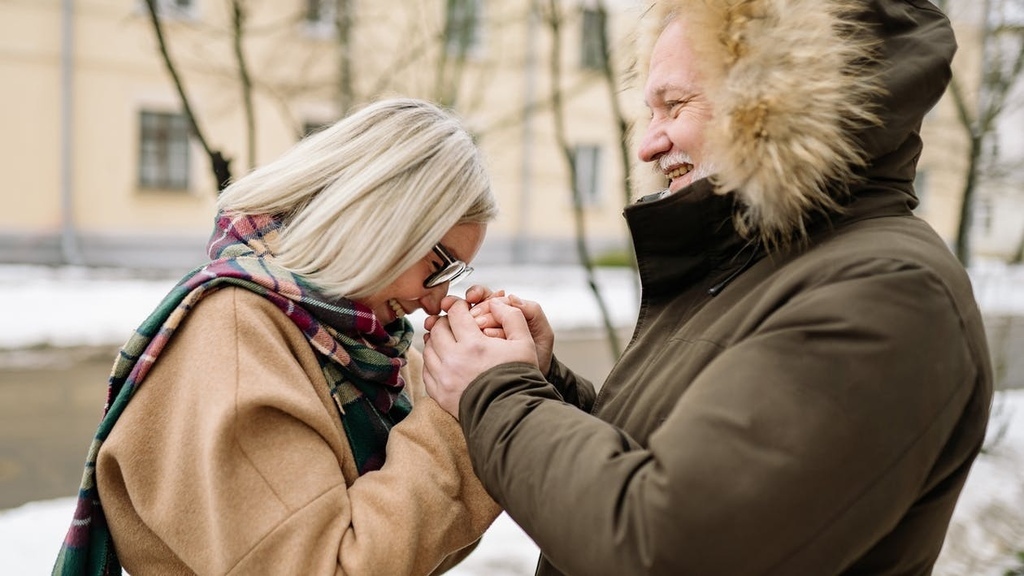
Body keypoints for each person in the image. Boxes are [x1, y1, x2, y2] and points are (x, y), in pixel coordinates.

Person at [421, 1, 994, 574]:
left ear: (779, 100)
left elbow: (669, 544)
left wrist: (494, 392)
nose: (647, 145)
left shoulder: (888, 291)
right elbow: (661, 458)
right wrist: (542, 382)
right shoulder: (758, 264)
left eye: (674, 106)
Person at [53, 97, 501, 575]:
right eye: (438, 266)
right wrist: (458, 412)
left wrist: (501, 384)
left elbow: (422, 548)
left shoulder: (366, 344)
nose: (436, 301)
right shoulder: (237, 342)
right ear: (382, 219)